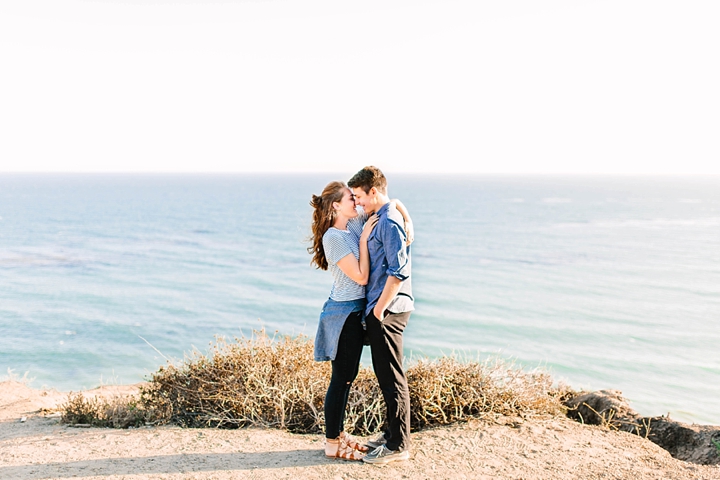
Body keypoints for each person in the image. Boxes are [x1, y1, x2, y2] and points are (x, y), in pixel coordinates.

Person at [308, 180, 413, 461]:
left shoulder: (354, 223)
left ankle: (339, 435)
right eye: (350, 199)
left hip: (357, 311)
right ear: (335, 206)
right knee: (340, 379)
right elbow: (362, 277)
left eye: (356, 199)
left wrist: (407, 217)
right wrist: (365, 242)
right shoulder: (333, 237)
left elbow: (386, 203)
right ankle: (332, 442)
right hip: (343, 312)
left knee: (348, 377)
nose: (356, 203)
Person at [348, 166, 414, 465]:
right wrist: (399, 203)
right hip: (385, 308)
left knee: (392, 378)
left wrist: (377, 311)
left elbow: (398, 271)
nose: (358, 202)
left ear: (373, 191)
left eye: (360, 196)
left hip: (387, 309)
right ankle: (390, 435)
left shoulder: (388, 220)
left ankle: (399, 446)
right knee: (385, 375)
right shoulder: (386, 213)